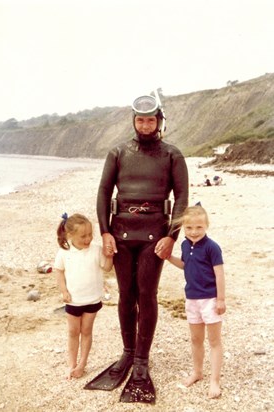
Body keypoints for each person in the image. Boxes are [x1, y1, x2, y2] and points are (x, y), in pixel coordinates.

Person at [85, 93, 188, 403]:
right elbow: (104, 192)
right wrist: (105, 232)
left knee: (147, 294)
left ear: (159, 122)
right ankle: (128, 353)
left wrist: (172, 236)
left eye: (151, 119)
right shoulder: (118, 152)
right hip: (121, 231)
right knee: (125, 294)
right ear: (133, 121)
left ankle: (142, 362)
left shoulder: (172, 155)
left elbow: (182, 197)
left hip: (154, 234)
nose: (145, 124)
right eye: (140, 119)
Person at [167, 206, 226, 399]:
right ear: (184, 227)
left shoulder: (212, 247)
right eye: (189, 227)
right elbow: (185, 265)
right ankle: (197, 372)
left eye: (199, 227)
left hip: (210, 299)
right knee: (195, 339)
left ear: (206, 226)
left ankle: (215, 380)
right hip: (191, 299)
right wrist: (168, 257)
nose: (194, 232)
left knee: (214, 341)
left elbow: (219, 274)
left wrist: (221, 299)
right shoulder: (185, 245)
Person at [54, 213, 113, 380]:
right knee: (73, 332)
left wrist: (109, 255)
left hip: (93, 299)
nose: (88, 239)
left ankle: (82, 364)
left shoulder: (95, 250)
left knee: (86, 331)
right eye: (83, 236)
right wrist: (63, 291)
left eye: (90, 235)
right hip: (73, 300)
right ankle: (71, 365)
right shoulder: (64, 252)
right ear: (70, 235)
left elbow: (107, 268)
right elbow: (58, 271)